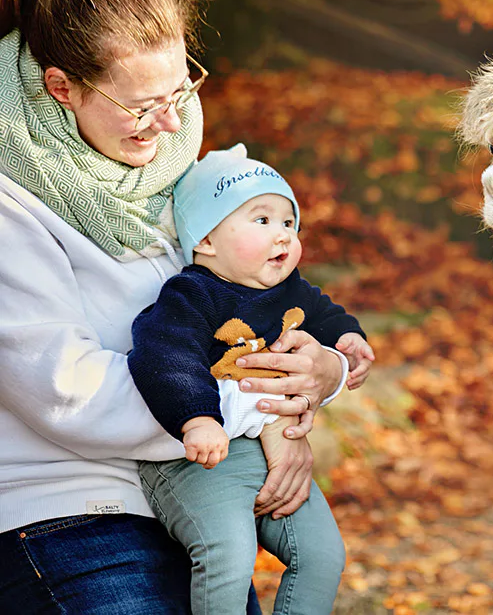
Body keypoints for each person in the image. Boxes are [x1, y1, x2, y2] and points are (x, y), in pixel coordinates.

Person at [0, 0, 350, 614]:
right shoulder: (13, 200)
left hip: (188, 488)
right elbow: (67, 388)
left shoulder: (171, 168)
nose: (167, 123)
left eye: (180, 89)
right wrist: (256, 413)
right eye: (140, 106)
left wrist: (316, 378)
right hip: (67, 510)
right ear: (61, 88)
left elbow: (244, 304)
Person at [129, 146, 375, 614]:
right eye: (262, 220)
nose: (283, 234)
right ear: (207, 240)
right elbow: (163, 356)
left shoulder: (291, 290)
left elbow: (326, 315)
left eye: (289, 223)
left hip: (276, 458)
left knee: (322, 556)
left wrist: (349, 339)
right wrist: (197, 419)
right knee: (228, 559)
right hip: (201, 460)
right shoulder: (190, 294)